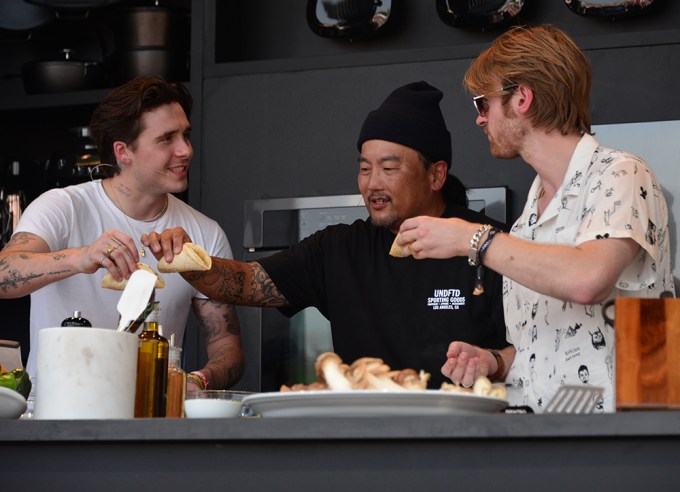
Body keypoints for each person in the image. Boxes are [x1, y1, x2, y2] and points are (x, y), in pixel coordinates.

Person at [146, 81, 508, 388]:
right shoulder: (339, 249)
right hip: (359, 442)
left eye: (389, 168)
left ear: (436, 175)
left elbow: (529, 352)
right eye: (365, 169)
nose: (373, 184)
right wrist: (187, 260)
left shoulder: (487, 243)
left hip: (466, 443)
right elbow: (248, 283)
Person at [395, 25, 675, 412]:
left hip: (624, 437)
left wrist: (473, 239)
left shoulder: (620, 172)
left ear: (522, 98)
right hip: (543, 435)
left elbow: (587, 280)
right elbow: (545, 347)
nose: (479, 119)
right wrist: (494, 362)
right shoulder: (530, 213)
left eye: (483, 103)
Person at [0, 75, 245, 391]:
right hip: (56, 417)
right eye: (166, 139)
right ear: (123, 151)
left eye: (186, 135)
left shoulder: (204, 234)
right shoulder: (62, 207)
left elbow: (228, 347)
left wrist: (197, 380)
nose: (185, 150)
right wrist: (81, 257)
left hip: (150, 423)